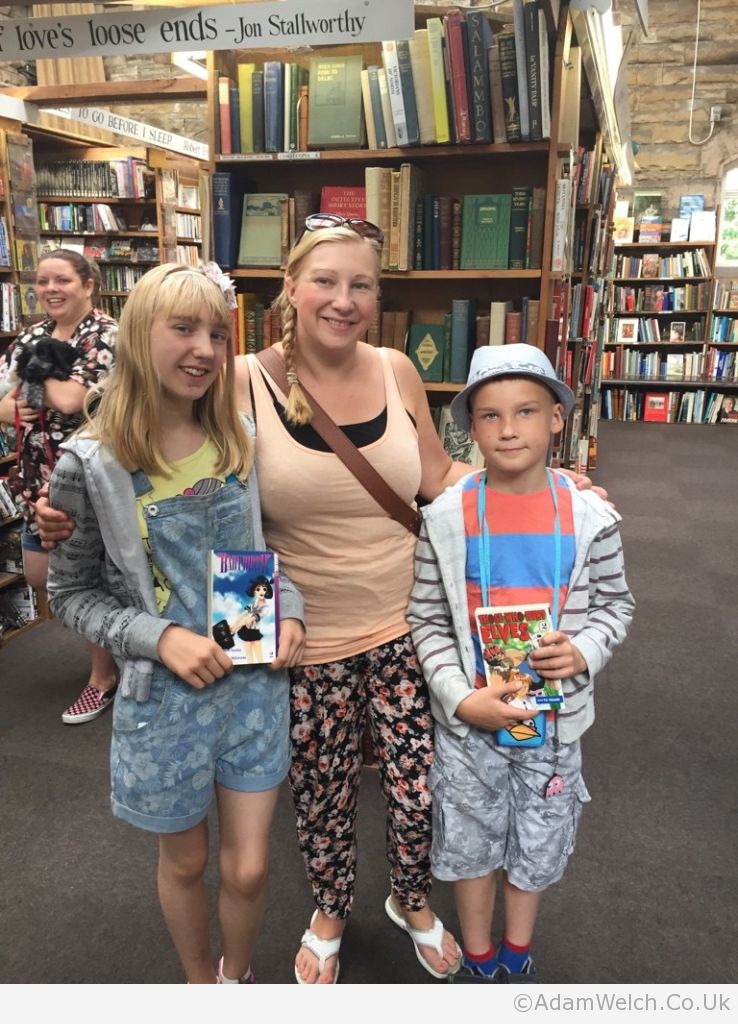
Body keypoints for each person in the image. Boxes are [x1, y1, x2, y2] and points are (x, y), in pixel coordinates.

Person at [36, 218, 604, 985]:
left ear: (378, 296)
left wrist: (549, 488)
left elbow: (438, 477)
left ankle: (411, 898)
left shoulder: (399, 368)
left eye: (362, 284)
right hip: (294, 637)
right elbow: (144, 427)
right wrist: (67, 508)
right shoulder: (238, 380)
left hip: (406, 621)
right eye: (326, 282)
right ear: (292, 291)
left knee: (417, 789)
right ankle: (330, 908)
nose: (343, 299)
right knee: (324, 794)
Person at [44, 263, 306, 984]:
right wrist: (159, 637)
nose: (204, 350)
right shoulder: (92, 463)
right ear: (138, 335)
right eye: (184, 329)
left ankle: (236, 979)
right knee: (185, 860)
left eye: (217, 335)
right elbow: (69, 593)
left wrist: (289, 611)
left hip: (251, 686)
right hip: (161, 702)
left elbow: (262, 553)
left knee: (250, 869)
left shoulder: (238, 439)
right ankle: (198, 983)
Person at [407, 344, 634, 983]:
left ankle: (516, 951)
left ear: (558, 418)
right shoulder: (446, 518)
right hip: (470, 724)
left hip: (554, 730)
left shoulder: (592, 518)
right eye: (489, 416)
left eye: (527, 411)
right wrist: (456, 696)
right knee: (470, 843)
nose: (508, 429)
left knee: (536, 839)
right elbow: (425, 618)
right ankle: (478, 956)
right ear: (471, 427)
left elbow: (616, 606)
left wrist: (582, 649)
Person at [0, 249, 119, 725]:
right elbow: (5, 401)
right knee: (39, 573)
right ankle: (112, 649)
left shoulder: (107, 335)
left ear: (88, 285)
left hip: (87, 475)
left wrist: (32, 377)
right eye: (43, 280)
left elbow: (74, 399)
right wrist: (15, 405)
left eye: (62, 280)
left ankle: (102, 676)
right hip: (34, 473)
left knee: (91, 575)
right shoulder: (33, 336)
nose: (50, 289)